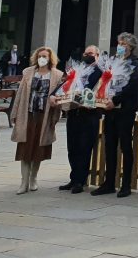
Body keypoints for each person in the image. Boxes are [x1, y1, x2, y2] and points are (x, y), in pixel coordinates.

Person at [93, 31, 138, 197]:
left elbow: (132, 85)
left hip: (124, 109)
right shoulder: (112, 61)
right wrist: (101, 97)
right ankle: (108, 183)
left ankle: (126, 185)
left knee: (125, 146)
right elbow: (105, 80)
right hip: (109, 110)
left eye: (124, 45)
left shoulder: (135, 63)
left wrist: (115, 99)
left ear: (131, 47)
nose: (120, 47)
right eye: (119, 44)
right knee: (109, 145)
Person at [11, 46, 64, 194]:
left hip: (44, 116)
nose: (42, 58)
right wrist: (14, 113)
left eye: (45, 56)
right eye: (40, 56)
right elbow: (20, 93)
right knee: (24, 148)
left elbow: (59, 97)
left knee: (38, 149)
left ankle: (33, 178)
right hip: (27, 114)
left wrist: (56, 117)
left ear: (50, 58)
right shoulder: (28, 72)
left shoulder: (57, 75)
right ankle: (23, 181)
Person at [54, 45, 102, 194]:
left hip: (89, 113)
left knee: (84, 147)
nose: (87, 55)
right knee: (72, 147)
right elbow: (65, 84)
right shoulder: (78, 69)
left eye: (91, 53)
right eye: (86, 53)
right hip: (74, 111)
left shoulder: (100, 71)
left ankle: (80, 181)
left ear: (97, 55)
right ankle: (73, 178)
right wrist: (54, 94)